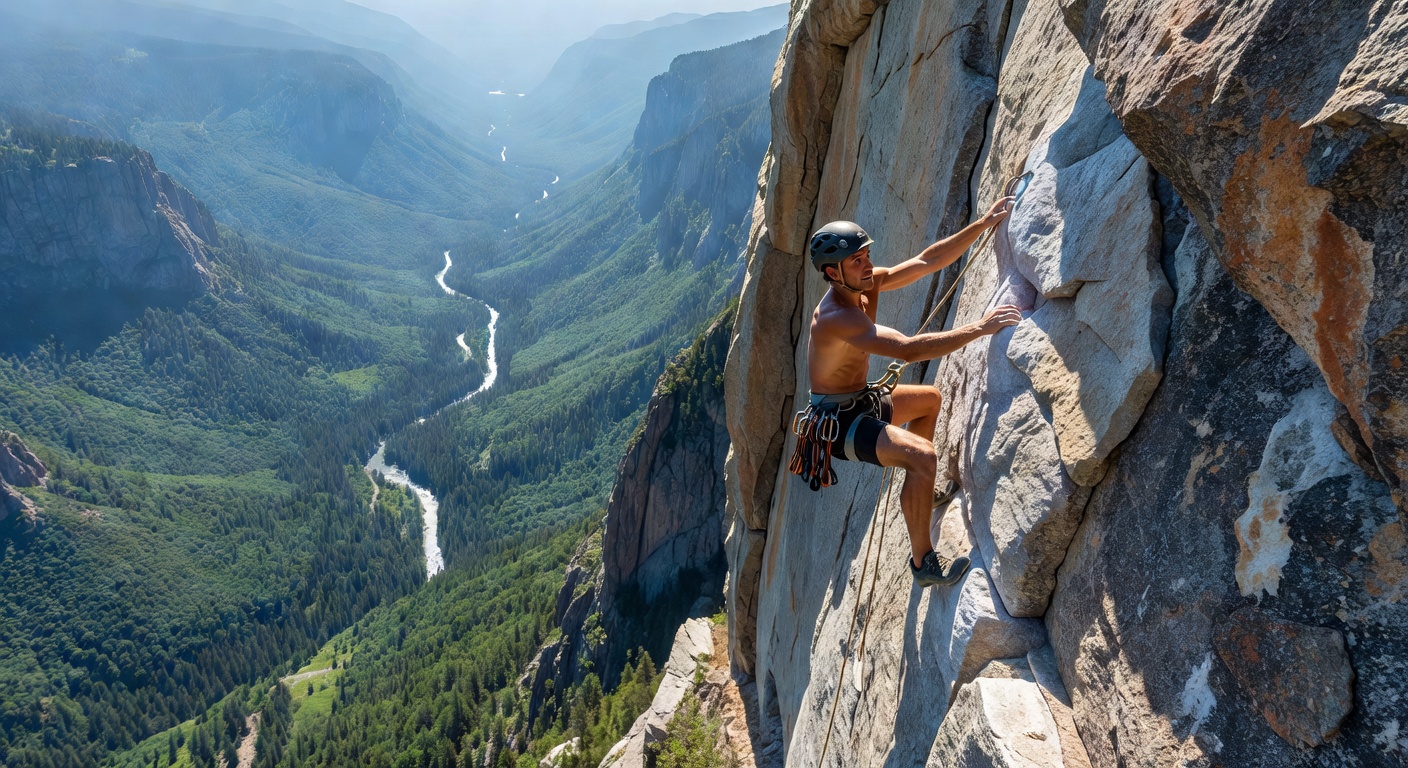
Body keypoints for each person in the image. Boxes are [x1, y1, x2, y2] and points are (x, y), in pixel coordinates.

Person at [797, 198, 1022, 587]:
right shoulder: (836, 318)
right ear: (833, 273)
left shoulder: (865, 285)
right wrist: (980, 328)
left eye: (866, 255)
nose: (867, 265)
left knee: (929, 401)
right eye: (856, 261)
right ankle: (923, 564)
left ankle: (921, 491)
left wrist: (985, 223)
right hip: (839, 423)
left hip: (859, 400)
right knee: (923, 456)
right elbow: (907, 349)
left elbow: (925, 262)